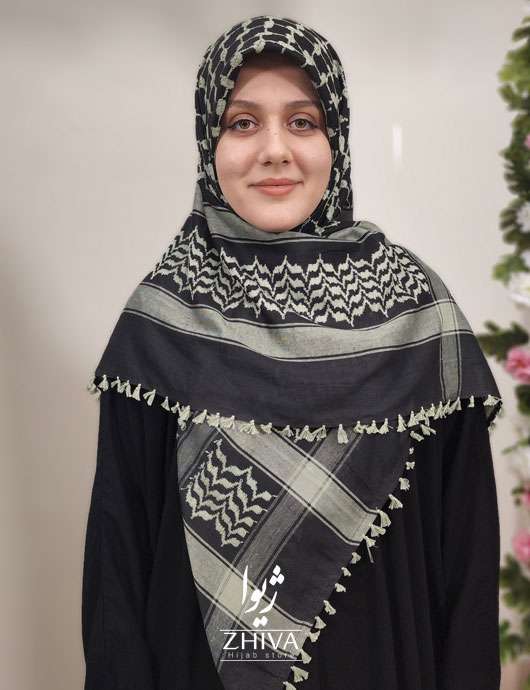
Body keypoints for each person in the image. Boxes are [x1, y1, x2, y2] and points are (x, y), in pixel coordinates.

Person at [82, 15, 503, 690]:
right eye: (243, 122)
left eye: (303, 122)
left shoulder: (420, 318)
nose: (275, 150)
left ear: (335, 141)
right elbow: (118, 575)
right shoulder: (161, 323)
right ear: (209, 143)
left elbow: (468, 569)